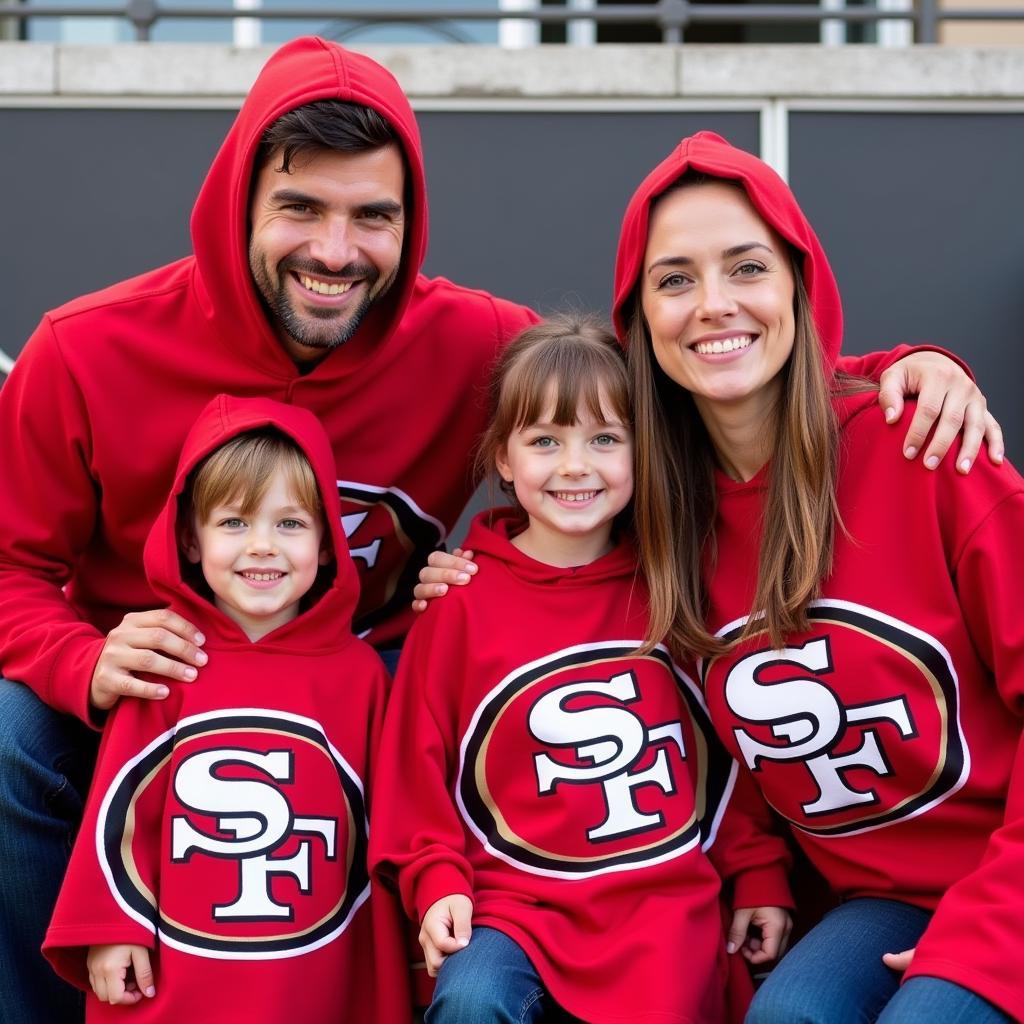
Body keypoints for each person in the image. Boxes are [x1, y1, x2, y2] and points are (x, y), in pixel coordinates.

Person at [0, 35, 999, 1022]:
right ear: (237, 204)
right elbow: (10, 565)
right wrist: (79, 657)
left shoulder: (474, 340)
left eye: (372, 217)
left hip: (374, 678)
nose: (336, 250)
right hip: (164, 692)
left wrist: (889, 372)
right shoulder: (86, 351)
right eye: (300, 208)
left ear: (412, 221)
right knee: (10, 731)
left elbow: (669, 368)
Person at [607, 132, 1022, 1021]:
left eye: (746, 268)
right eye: (675, 279)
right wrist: (468, 567)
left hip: (1007, 871)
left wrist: (987, 927)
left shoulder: (925, 449)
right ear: (639, 319)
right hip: (877, 901)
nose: (713, 304)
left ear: (802, 284)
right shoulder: (655, 519)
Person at [372, 316, 796, 1024]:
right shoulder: (458, 605)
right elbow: (415, 772)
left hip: (660, 905)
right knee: (474, 997)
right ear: (503, 459)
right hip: (513, 905)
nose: (575, 465)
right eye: (545, 441)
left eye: (604, 439)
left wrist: (755, 869)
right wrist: (436, 878)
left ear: (642, 451)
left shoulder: (674, 589)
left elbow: (729, 757)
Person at [41, 393, 410, 1022]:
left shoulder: (358, 674)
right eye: (234, 523)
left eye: (290, 524)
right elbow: (121, 807)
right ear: (190, 538)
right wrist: (111, 921)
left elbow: (389, 819)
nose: (262, 546)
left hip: (316, 957)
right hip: (183, 963)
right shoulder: (168, 658)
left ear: (328, 544)